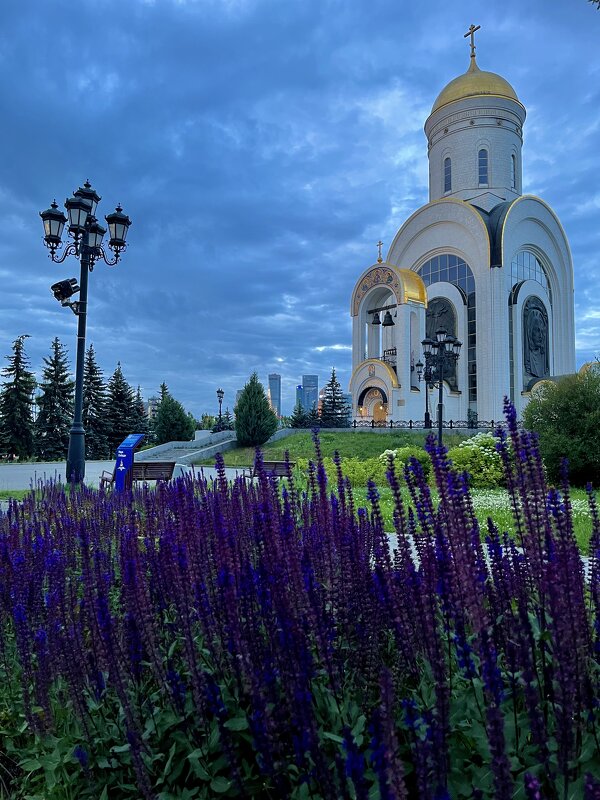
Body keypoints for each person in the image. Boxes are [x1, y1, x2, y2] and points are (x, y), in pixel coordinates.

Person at [524, 305, 548, 379]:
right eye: (537, 330)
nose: (540, 335)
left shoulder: (543, 360)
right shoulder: (529, 357)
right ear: (530, 331)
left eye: (542, 331)